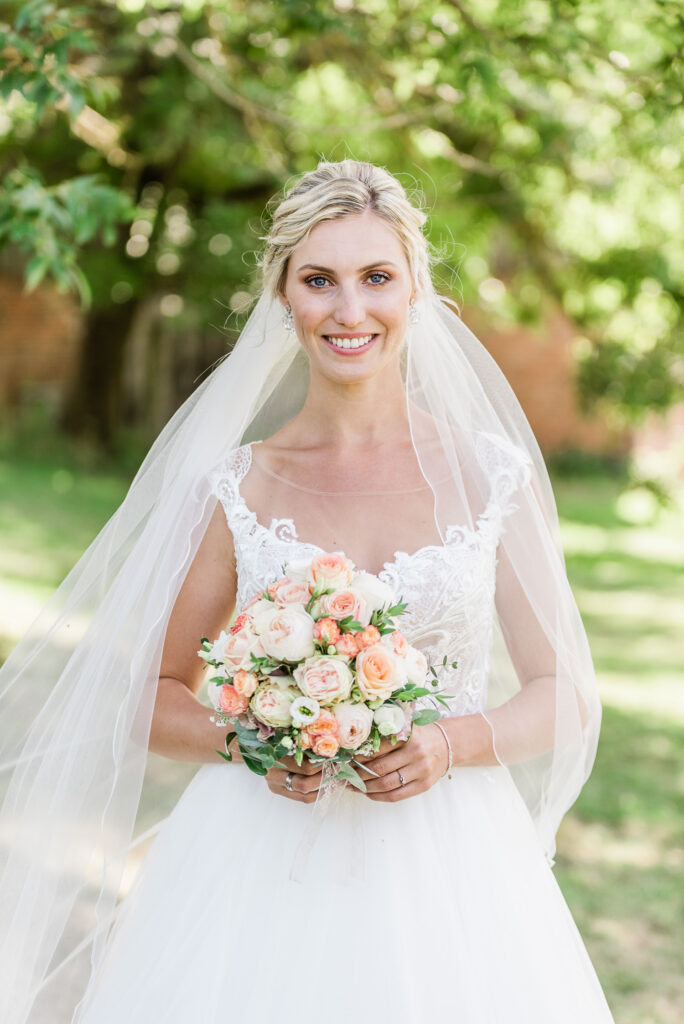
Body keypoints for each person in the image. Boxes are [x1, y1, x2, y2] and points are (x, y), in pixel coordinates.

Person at [0, 159, 615, 1022]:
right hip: (255, 860)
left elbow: (566, 694)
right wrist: (253, 740)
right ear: (282, 297)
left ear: (416, 290)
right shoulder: (239, 488)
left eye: (376, 278)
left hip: (452, 869)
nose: (349, 310)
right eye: (319, 280)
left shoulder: (487, 476)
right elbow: (147, 696)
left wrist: (450, 743)